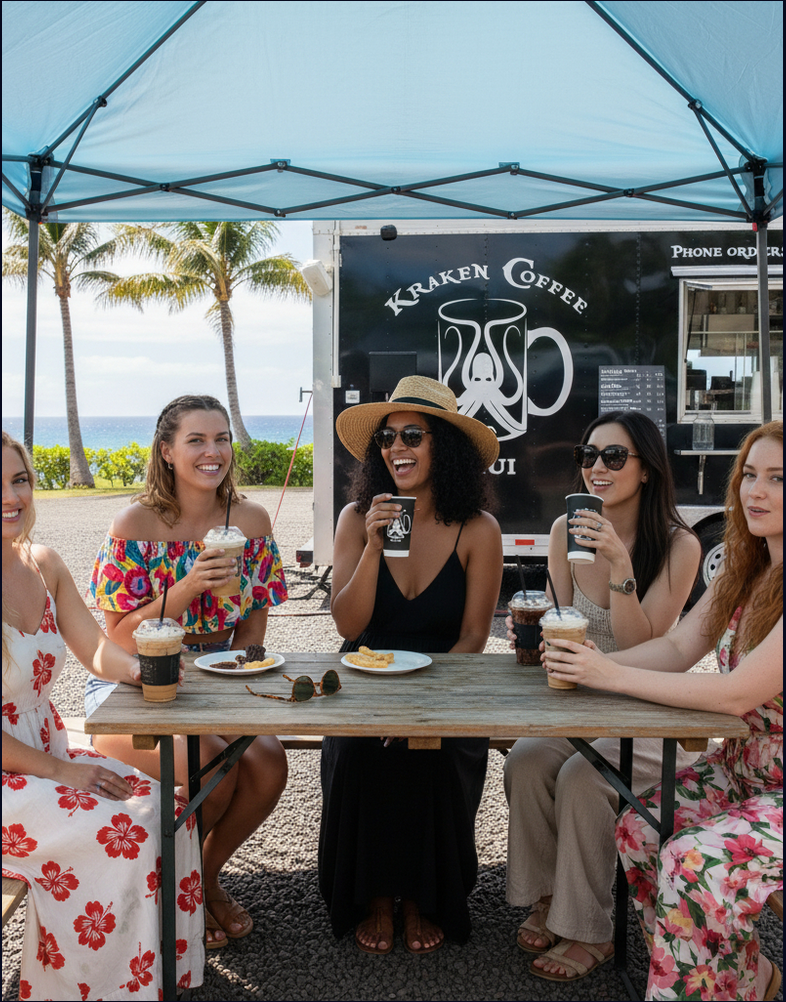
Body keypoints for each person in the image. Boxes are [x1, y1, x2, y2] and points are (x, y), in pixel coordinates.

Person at [543, 421, 783, 1001]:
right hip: (740, 773)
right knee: (639, 826)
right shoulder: (746, 570)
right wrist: (596, 661)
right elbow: (677, 648)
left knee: (691, 860)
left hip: (776, 790)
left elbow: (734, 695)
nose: (756, 491)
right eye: (750, 475)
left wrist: (612, 674)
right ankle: (747, 980)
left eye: (778, 479)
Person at [1, 432, 204, 999]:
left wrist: (137, 670)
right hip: (21, 771)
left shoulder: (41, 562)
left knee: (171, 807)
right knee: (129, 834)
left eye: (19, 479)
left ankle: (155, 977)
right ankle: (94, 990)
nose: (12, 497)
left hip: (46, 752)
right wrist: (63, 772)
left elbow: (94, 646)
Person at [503, 410, 702, 982]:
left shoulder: (679, 545)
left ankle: (590, 929)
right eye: (588, 456)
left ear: (646, 470)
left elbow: (648, 645)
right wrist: (532, 633)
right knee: (527, 758)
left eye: (614, 457)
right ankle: (548, 897)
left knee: (582, 777)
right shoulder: (566, 532)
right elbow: (557, 618)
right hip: (582, 705)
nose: (597, 467)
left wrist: (619, 565)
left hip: (649, 712)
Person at [87, 394, 288, 949]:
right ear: (167, 451)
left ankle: (203, 878)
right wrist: (189, 587)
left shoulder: (248, 520)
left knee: (269, 763)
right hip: (135, 680)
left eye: (221, 438)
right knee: (210, 775)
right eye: (196, 440)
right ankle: (191, 897)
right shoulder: (136, 522)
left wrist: (238, 679)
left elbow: (252, 630)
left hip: (215, 670)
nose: (212, 451)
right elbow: (118, 637)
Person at [322, 375, 503, 955]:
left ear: (443, 444)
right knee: (357, 748)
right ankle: (375, 896)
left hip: (448, 677)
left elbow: (475, 636)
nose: (396, 447)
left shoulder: (478, 529)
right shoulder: (357, 518)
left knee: (439, 750)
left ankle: (424, 898)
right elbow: (348, 628)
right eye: (386, 437)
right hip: (365, 674)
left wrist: (421, 708)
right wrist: (374, 545)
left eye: (412, 435)